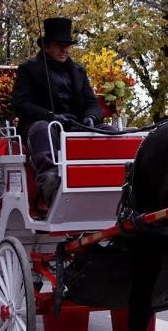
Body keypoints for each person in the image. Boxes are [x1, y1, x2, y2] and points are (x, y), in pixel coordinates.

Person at [12, 17, 104, 202]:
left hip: (75, 125)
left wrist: (91, 117)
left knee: (109, 131)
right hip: (43, 125)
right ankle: (50, 180)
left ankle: (117, 176)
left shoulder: (78, 71)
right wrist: (52, 116)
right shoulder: (29, 69)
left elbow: (92, 103)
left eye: (67, 45)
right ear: (46, 46)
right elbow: (21, 104)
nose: (65, 50)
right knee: (43, 128)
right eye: (59, 45)